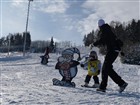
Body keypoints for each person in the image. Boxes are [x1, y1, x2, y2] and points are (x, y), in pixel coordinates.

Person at [93, 19, 128, 92]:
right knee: (105, 69)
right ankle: (103, 87)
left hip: (112, 51)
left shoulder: (105, 30)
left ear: (99, 25)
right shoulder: (108, 30)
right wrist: (120, 51)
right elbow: (111, 40)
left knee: (106, 68)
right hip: (114, 51)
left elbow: (102, 40)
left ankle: (121, 83)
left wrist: (94, 44)